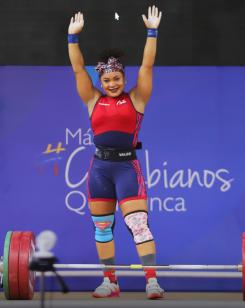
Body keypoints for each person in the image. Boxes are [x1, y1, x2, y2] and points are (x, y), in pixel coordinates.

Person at [67, 6, 164, 299]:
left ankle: (152, 281)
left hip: (126, 169)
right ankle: (110, 281)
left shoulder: (137, 98)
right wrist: (72, 38)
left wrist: (152, 31)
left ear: (123, 77)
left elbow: (147, 67)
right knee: (102, 228)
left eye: (116, 79)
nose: (112, 84)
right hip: (99, 170)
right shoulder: (92, 99)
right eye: (107, 80)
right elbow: (77, 68)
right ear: (101, 82)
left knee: (138, 225)